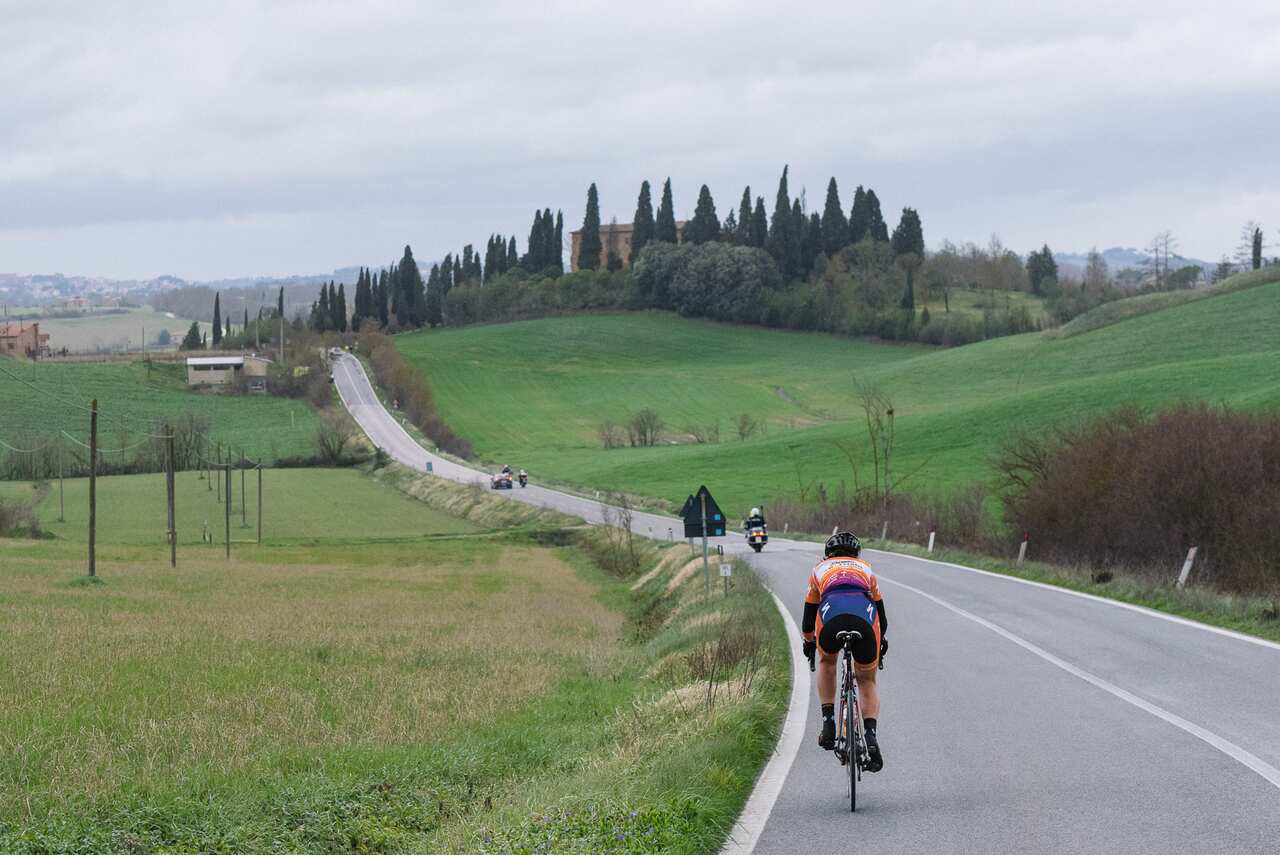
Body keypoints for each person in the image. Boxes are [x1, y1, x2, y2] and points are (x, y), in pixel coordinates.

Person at [801, 530, 888, 772]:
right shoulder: (866, 568)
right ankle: (870, 738)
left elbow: (809, 619)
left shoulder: (819, 569)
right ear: (856, 554)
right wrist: (881, 644)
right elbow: (881, 615)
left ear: (828, 554)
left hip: (832, 619)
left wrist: (809, 642)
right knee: (867, 679)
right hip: (864, 619)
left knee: (827, 662)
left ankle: (829, 725)